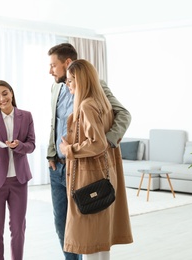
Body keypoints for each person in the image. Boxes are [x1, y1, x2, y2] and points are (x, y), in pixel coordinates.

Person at [47, 43, 132, 260]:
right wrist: (52, 153)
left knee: (87, 225)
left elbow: (122, 114)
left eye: (53, 65)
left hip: (85, 166)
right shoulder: (56, 88)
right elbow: (54, 124)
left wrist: (106, 144)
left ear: (69, 65)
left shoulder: (93, 90)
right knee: (64, 224)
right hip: (59, 166)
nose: (50, 71)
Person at [0, 80, 35, 260]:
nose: (2, 98)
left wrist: (19, 146)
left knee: (18, 228)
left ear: (11, 92)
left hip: (19, 180)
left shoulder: (26, 116)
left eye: (5, 93)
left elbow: (31, 145)